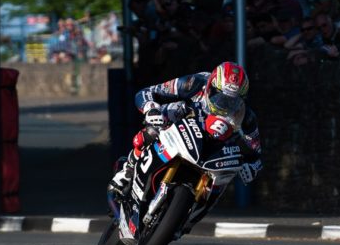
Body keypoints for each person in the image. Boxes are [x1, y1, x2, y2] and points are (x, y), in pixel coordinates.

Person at [107, 62, 263, 208]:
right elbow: (147, 92)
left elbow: (255, 150)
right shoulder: (193, 82)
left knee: (225, 175)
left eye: (232, 102)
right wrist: (151, 109)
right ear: (211, 86)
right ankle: (127, 171)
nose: (223, 105)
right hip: (184, 119)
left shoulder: (246, 116)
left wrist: (252, 167)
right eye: (219, 97)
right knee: (153, 128)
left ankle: (197, 211)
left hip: (214, 148)